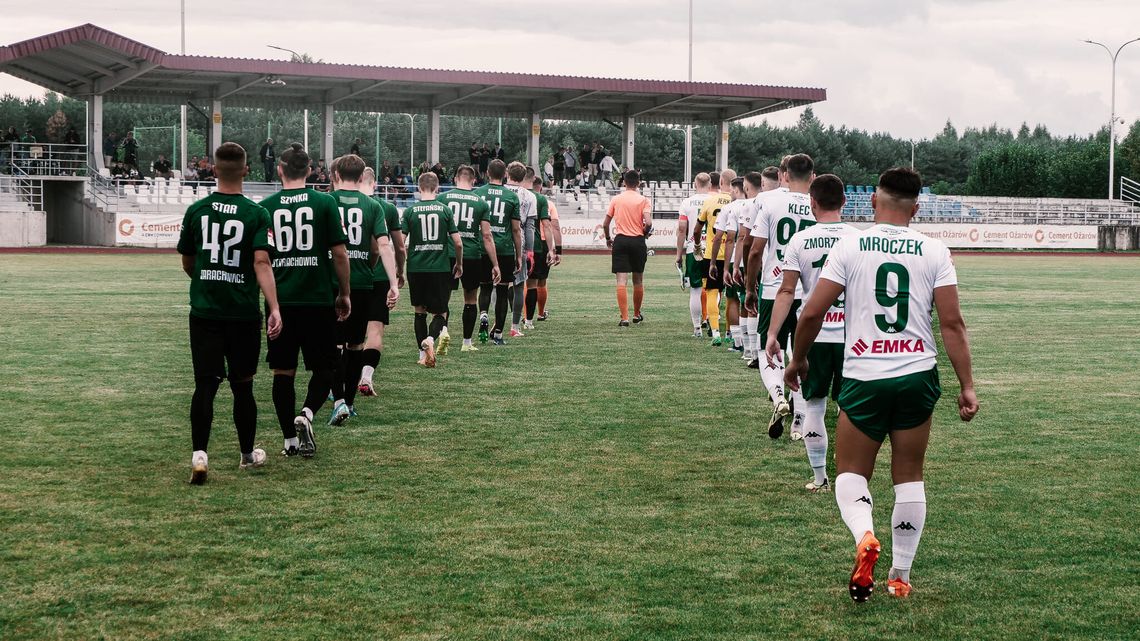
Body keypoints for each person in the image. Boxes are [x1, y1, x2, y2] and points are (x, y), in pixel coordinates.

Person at [786, 167, 978, 602]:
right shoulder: (935, 250)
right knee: (909, 475)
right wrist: (967, 385)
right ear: (917, 208)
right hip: (916, 374)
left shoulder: (851, 246)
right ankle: (900, 576)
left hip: (865, 374)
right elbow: (952, 323)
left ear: (873, 201)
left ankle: (865, 535)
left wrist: (798, 360)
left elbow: (812, 312)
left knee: (851, 473)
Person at [176, 141, 280, 484]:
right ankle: (247, 454)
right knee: (243, 386)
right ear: (247, 170)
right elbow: (262, 262)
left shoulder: (197, 210)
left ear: (214, 169)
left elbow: (188, 261)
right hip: (242, 313)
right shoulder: (257, 214)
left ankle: (199, 455)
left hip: (204, 312)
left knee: (205, 385)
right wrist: (274, 307)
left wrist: (208, 280)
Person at [764, 174, 859, 492]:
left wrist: (773, 333)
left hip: (812, 336)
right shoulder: (858, 239)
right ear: (844, 201)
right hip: (852, 337)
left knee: (814, 405)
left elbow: (786, 291)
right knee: (849, 407)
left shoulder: (800, 240)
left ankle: (820, 478)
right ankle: (849, 475)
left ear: (812, 203)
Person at [260, 143, 352, 459]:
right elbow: (340, 254)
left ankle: (289, 440)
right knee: (325, 368)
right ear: (310, 171)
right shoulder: (325, 202)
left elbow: (261, 259)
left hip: (280, 302)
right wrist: (344, 293)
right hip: (317, 299)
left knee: (282, 372)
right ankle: (307, 413)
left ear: (279, 170)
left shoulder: (266, 207)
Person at [745, 154, 816, 440]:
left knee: (768, 347)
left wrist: (750, 287)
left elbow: (754, 250)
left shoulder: (769, 201)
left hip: (775, 287)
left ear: (784, 175)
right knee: (800, 353)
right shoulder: (817, 204)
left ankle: (778, 396)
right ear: (812, 177)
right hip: (809, 291)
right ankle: (800, 420)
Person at [330, 154, 400, 417]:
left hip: (331, 282)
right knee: (356, 344)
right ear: (361, 177)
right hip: (361, 282)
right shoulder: (372, 206)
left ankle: (337, 400)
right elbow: (382, 246)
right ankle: (349, 403)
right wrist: (393, 282)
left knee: (335, 345)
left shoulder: (327, 201)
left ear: (337, 175)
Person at [403, 171, 463, 367]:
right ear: (437, 187)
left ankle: (422, 355)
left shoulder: (410, 211)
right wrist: (459, 263)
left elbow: (401, 244)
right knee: (441, 313)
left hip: (416, 268)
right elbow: (458, 243)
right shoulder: (445, 210)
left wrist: (399, 266)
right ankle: (430, 339)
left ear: (418, 188)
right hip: (439, 268)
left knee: (419, 311)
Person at [440, 164, 500, 352]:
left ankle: (443, 334)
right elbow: (487, 236)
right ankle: (466, 343)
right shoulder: (480, 203)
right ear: (474, 181)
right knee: (470, 299)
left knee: (443, 298)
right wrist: (495, 264)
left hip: (447, 254)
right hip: (472, 255)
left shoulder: (442, 198)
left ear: (455, 178)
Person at [357, 167, 406, 396]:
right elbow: (399, 247)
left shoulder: (338, 203)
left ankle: (337, 382)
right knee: (375, 329)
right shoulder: (387, 208)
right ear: (374, 184)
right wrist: (399, 271)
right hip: (379, 277)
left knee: (345, 333)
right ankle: (366, 376)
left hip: (351, 276)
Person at [732, 166, 783, 367]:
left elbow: (746, 241)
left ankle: (753, 352)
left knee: (755, 307)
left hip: (767, 264)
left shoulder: (757, 202)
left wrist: (746, 270)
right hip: (795, 267)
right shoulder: (800, 200)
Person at [474, 159, 522, 345]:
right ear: (505, 175)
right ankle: (499, 334)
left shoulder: (478, 194)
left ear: (487, 173)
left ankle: (483, 313)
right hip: (504, 248)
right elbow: (516, 230)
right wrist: (519, 255)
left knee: (485, 287)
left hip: (483, 248)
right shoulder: (511, 197)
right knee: (502, 291)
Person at [602, 169, 653, 327]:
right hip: (638, 241)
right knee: (638, 280)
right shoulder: (644, 200)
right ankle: (636, 315)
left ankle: (624, 318)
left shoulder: (616, 199)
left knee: (621, 280)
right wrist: (644, 233)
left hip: (621, 240)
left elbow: (605, 224)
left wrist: (608, 238)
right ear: (639, 183)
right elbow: (649, 223)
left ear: (624, 182)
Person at [691, 169, 735, 343]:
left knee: (711, 291)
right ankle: (730, 333)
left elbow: (697, 229)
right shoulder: (738, 202)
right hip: (733, 255)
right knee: (732, 295)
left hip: (712, 254)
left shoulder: (709, 201)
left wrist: (697, 246)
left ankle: (715, 331)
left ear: (721, 182)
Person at [708, 177, 748, 353]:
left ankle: (738, 342)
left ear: (736, 189)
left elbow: (721, 237)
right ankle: (751, 342)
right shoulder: (758, 205)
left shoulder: (730, 208)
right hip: (756, 259)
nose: (730, 193)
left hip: (735, 261)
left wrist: (714, 262)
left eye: (731, 190)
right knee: (750, 299)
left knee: (732, 299)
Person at [675, 172, 712, 337]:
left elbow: (682, 229)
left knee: (695, 290)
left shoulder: (687, 202)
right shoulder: (715, 200)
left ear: (695, 184)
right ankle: (712, 322)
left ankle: (697, 328)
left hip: (694, 248)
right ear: (709, 184)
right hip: (712, 248)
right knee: (713, 289)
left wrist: (678, 254)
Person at [504, 163, 537, 338]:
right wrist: (530, 251)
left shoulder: (499, 191)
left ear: (507, 173)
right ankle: (515, 326)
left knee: (495, 286)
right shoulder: (529, 196)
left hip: (498, 240)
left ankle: (493, 322)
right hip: (520, 242)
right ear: (524, 176)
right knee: (518, 286)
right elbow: (530, 227)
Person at [523, 176, 559, 329]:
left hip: (516, 242)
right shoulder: (545, 201)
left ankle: (519, 317)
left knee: (516, 282)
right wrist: (555, 249)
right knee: (539, 281)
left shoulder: (514, 195)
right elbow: (552, 225)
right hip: (539, 244)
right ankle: (537, 314)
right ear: (541, 186)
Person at [532, 181, 562, 321]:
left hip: (527, 242)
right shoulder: (548, 203)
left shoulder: (522, 200)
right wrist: (558, 250)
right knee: (542, 280)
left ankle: (525, 316)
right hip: (543, 243)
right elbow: (554, 226)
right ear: (541, 187)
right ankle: (540, 313)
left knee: (527, 281)